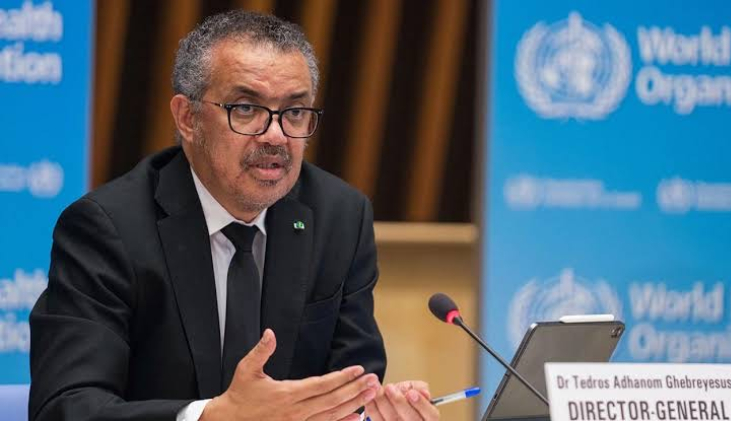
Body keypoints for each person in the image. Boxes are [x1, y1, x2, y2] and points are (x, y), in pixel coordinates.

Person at [28, 10, 439, 421]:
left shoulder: (339, 217)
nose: (276, 135)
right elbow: (66, 407)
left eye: (295, 112)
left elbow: (353, 386)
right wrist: (209, 416)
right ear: (187, 118)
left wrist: (376, 414)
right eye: (246, 108)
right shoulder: (109, 228)